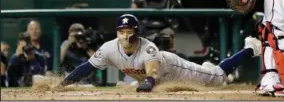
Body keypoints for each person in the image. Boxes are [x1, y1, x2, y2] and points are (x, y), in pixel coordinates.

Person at [53, 14, 262, 92]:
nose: (126, 36)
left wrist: (148, 84)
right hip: (151, 80)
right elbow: (86, 68)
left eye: (130, 32)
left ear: (137, 32)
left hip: (172, 70)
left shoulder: (148, 48)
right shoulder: (109, 48)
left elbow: (152, 73)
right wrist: (63, 83)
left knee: (217, 77)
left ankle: (250, 47)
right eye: (122, 32)